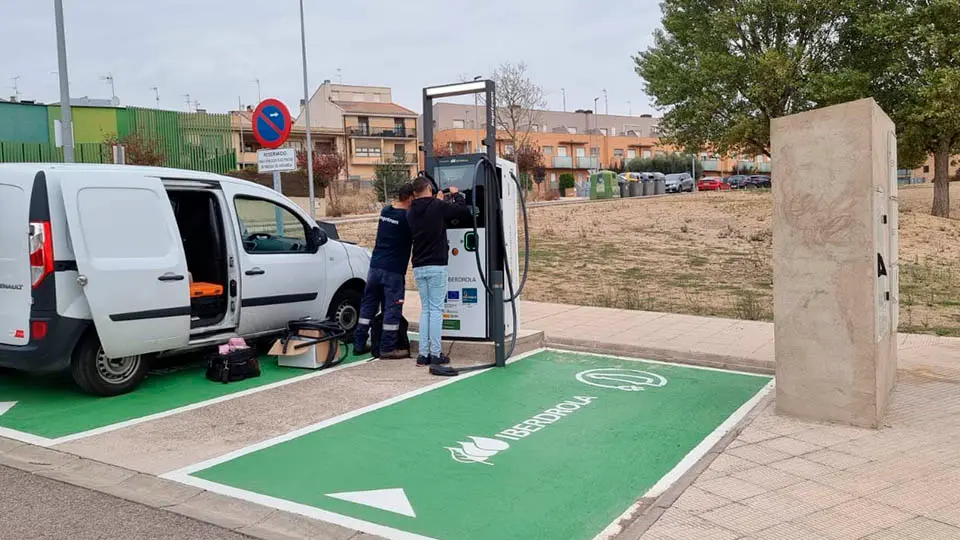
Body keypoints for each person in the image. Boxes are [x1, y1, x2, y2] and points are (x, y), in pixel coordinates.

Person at [406, 175, 473, 366]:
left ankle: (423, 354)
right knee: (436, 311)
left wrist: (439, 202)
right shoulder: (437, 206)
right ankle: (436, 354)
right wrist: (457, 195)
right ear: (428, 188)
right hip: (436, 265)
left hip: (419, 265)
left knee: (426, 310)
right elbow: (462, 213)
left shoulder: (410, 211)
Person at [353, 182, 415, 359]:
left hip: (375, 267)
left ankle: (359, 343)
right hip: (393, 271)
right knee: (392, 309)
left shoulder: (385, 212)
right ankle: (388, 348)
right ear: (410, 198)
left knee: (368, 307)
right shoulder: (407, 218)